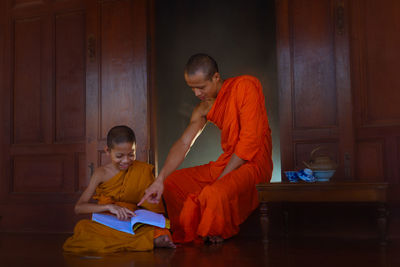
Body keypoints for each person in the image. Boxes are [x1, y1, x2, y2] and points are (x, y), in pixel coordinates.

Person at [138, 53, 273, 244]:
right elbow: (184, 143)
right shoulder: (203, 109)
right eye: (192, 89)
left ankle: (211, 232)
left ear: (216, 77)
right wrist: (160, 179)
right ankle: (183, 230)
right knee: (171, 184)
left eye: (201, 87)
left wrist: (221, 180)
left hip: (253, 163)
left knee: (214, 193)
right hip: (228, 161)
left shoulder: (245, 86)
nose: (197, 94)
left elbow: (249, 142)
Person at [63, 125, 175, 253]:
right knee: (83, 228)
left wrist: (140, 216)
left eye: (131, 155)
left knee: (160, 231)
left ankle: (149, 239)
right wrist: (109, 207)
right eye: (119, 156)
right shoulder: (101, 173)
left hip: (134, 222)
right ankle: (148, 242)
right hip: (110, 222)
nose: (126, 161)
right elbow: (79, 207)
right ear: (107, 150)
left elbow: (154, 208)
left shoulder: (143, 170)